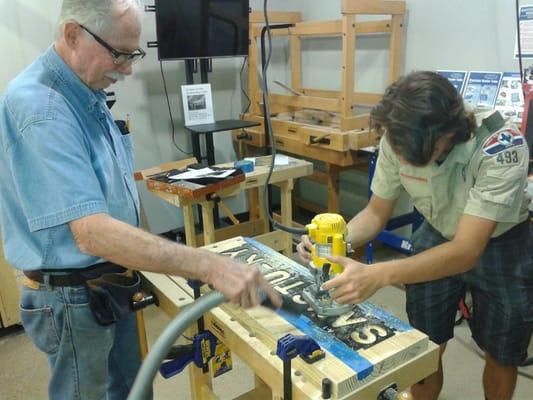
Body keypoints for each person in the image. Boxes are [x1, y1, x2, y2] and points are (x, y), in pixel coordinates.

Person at [0, 1, 280, 399]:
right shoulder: (42, 107)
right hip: (71, 298)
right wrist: (208, 265)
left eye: (133, 55)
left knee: (133, 391)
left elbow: (116, 194)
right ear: (72, 34)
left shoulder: (87, 91)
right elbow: (92, 233)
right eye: (118, 54)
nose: (127, 69)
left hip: (108, 282)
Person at [297, 71, 532, 400]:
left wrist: (378, 273)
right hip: (438, 232)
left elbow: (466, 250)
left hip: (502, 242)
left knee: (502, 350)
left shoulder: (499, 148)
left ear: (445, 134)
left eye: (411, 154)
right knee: (425, 343)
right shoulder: (399, 135)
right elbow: (377, 213)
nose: (402, 158)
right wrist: (335, 242)